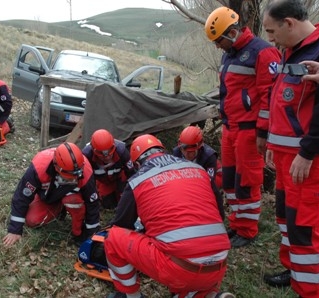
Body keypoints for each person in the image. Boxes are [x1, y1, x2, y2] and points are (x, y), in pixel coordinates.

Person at [104, 134, 232, 298]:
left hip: (180, 269)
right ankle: (209, 294)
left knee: (114, 237)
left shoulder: (138, 180)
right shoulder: (198, 169)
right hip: (219, 266)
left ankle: (132, 296)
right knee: (190, 272)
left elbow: (122, 225)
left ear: (137, 163)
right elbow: (219, 214)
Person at [261, 1, 319, 295]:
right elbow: (283, 98)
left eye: (272, 31)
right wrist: (274, 141)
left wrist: (307, 152)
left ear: (289, 23)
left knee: (304, 227)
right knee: (286, 218)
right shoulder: (293, 49)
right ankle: (295, 271)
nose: (271, 39)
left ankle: (312, 290)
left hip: (308, 160)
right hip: (288, 155)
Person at [204, 7, 282, 248]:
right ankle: (237, 223)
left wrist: (262, 132)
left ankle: (248, 230)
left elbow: (269, 96)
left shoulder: (263, 52)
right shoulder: (229, 53)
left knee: (246, 181)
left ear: (233, 32)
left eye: (219, 41)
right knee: (229, 180)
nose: (218, 47)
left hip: (249, 131)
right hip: (231, 127)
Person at [2, 142, 100, 248]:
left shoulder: (86, 171)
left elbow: (92, 203)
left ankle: (78, 230)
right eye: (69, 176)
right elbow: (22, 196)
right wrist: (15, 230)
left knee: (73, 201)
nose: (73, 179)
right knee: (32, 220)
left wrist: (91, 234)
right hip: (48, 197)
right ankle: (58, 208)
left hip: (73, 197)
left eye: (76, 175)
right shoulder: (39, 167)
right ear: (57, 167)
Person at [82, 129, 135, 209]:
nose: (107, 156)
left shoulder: (122, 151)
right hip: (103, 181)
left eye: (110, 151)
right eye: (101, 153)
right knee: (108, 204)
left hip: (120, 176)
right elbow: (86, 180)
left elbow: (131, 173)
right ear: (94, 150)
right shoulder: (87, 156)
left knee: (126, 200)